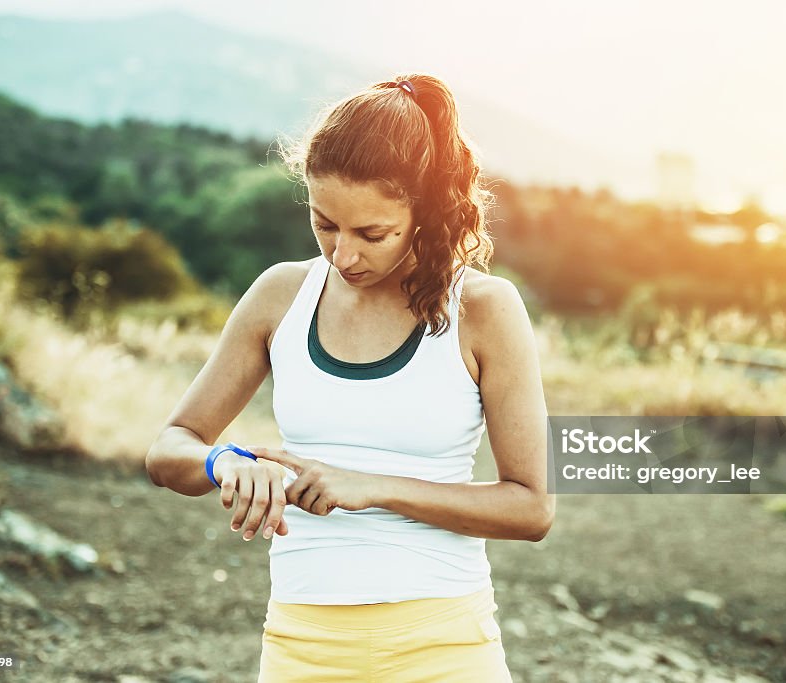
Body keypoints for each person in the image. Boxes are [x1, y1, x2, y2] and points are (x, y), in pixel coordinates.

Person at [145, 72, 553, 682]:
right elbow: (169, 448)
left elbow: (530, 508)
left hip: (444, 645)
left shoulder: (485, 311)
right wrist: (221, 461)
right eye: (324, 223)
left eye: (373, 233)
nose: (344, 256)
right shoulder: (281, 294)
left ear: (426, 212)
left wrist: (373, 486)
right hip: (300, 645)